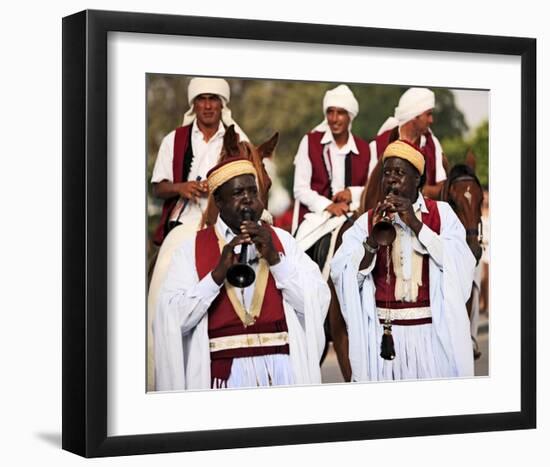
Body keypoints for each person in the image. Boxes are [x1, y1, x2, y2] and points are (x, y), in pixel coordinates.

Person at [153, 157, 330, 390]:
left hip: (282, 374)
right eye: (237, 193)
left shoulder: (283, 241)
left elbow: (316, 302)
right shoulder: (190, 249)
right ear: (218, 200)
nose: (248, 199)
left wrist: (276, 260)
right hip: (222, 380)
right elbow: (172, 319)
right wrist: (216, 276)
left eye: (252, 191)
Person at [331, 140, 475, 381]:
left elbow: (461, 264)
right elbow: (342, 274)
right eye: (386, 173)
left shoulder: (442, 214)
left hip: (432, 337)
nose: (391, 179)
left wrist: (416, 225)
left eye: (399, 173)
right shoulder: (366, 221)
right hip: (383, 338)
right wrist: (371, 243)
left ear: (417, 179)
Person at [151, 77, 248, 246]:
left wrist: (216, 188)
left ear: (221, 105)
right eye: (202, 99)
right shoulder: (173, 140)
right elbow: (158, 188)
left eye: (213, 99)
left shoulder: (237, 142)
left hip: (226, 225)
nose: (208, 106)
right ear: (194, 105)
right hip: (184, 223)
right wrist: (180, 187)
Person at [291, 84, 373, 276]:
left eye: (341, 113)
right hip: (317, 217)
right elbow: (300, 189)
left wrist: (352, 193)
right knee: (303, 255)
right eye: (330, 112)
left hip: (354, 214)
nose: (334, 119)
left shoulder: (365, 148)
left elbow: (372, 187)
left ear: (350, 116)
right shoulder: (310, 141)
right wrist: (329, 205)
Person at [369, 87, 447, 199]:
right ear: (415, 115)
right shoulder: (378, 145)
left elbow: (442, 187)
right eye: (428, 114)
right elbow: (371, 189)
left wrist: (418, 190)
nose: (431, 120)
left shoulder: (433, 144)